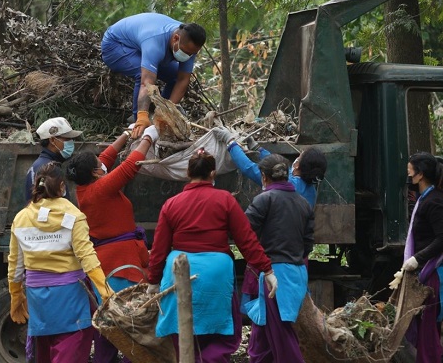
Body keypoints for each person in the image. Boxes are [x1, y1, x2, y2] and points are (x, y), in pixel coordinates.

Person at [146, 149, 277, 362]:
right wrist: (267, 269)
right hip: (216, 271)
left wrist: (153, 280)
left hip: (178, 270)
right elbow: (246, 240)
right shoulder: (225, 200)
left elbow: (159, 248)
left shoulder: (172, 204)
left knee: (181, 331)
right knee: (223, 333)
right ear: (213, 174)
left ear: (188, 173)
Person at [65, 125, 160, 363]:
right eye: (99, 167)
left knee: (109, 325)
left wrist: (127, 134)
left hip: (108, 263)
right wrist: (149, 136)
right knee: (130, 324)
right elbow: (130, 166)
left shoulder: (86, 187)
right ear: (96, 173)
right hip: (121, 265)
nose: (102, 165)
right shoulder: (101, 189)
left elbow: (106, 158)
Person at [8, 162, 114, 362]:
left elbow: (15, 264)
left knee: (44, 353)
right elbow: (87, 257)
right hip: (70, 296)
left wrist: (16, 295)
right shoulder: (74, 216)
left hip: (37, 298)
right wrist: (104, 290)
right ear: (62, 187)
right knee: (72, 347)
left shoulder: (21, 218)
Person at [242, 154, 314, 363]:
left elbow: (244, 233)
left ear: (264, 177)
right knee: (263, 335)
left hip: (274, 274)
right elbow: (308, 244)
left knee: (282, 335)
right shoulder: (303, 203)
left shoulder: (264, 199)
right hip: (297, 272)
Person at [100, 13, 207, 137]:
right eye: (186, 52)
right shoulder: (154, 43)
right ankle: (139, 122)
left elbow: (182, 80)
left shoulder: (188, 44)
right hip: (115, 46)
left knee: (175, 76)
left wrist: (169, 112)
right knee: (143, 74)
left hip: (142, 45)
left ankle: (158, 114)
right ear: (176, 38)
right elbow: (147, 83)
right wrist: (142, 115)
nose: (188, 56)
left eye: (192, 54)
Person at [402, 152, 443, 363]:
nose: (408, 177)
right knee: (429, 332)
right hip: (437, 270)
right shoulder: (430, 198)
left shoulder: (433, 202)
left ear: (420, 175)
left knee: (427, 335)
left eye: (409, 172)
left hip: (437, 273)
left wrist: (418, 258)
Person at [214, 127, 327, 208]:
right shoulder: (310, 190)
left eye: (299, 156)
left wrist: (230, 142)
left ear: (297, 165)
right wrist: (259, 149)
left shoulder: (282, 183)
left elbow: (249, 168)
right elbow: (280, 167)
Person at [25, 117, 82, 201]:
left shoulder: (40, 165)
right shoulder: (49, 170)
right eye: (67, 139)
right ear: (52, 140)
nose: (71, 142)